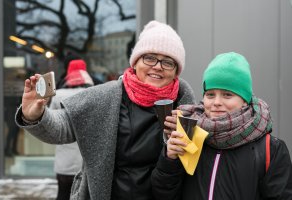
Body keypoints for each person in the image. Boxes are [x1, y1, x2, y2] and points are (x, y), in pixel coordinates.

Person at [15, 20, 196, 200]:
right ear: (135, 62)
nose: (157, 66)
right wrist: (35, 115)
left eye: (168, 62)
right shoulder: (105, 97)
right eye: (149, 58)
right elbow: (61, 128)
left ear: (176, 70)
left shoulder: (185, 105)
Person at [151, 52, 292, 200]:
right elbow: (163, 194)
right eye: (210, 94)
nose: (216, 102)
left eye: (227, 95)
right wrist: (169, 160)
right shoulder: (188, 134)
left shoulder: (271, 149)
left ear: (245, 100)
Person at [49, 59, 94, 200]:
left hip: (64, 157)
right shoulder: (93, 94)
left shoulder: (58, 95)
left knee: (62, 193)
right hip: (86, 159)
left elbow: (50, 122)